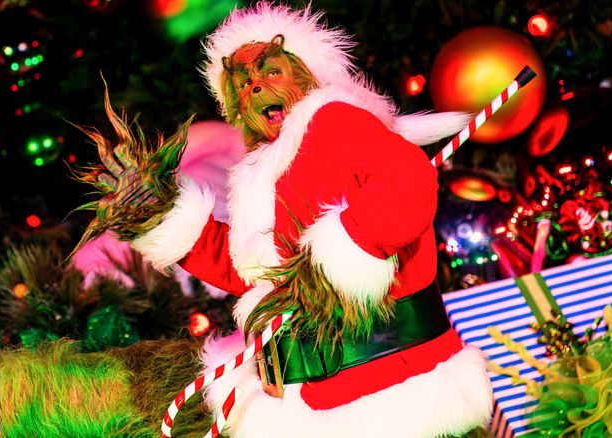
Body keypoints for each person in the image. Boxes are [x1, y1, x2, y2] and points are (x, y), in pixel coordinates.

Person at [126, 3, 493, 437]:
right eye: (242, 83)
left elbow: (407, 179)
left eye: (271, 72)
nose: (255, 88)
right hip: (310, 402)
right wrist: (166, 219)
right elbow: (258, 272)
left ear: (307, 74)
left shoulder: (333, 120)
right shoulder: (262, 171)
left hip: (395, 390)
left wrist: (346, 249)